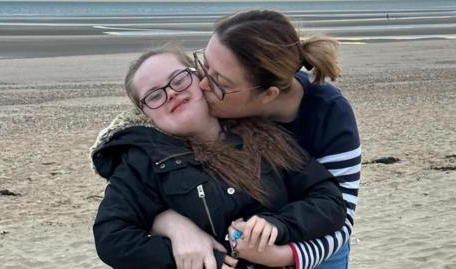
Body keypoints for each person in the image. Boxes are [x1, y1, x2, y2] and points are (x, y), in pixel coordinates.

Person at [90, 47, 347, 269]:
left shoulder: (265, 136)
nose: (170, 94)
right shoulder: (143, 160)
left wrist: (277, 226)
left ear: (201, 79)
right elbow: (112, 236)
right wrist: (192, 257)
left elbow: (328, 200)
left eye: (178, 79)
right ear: (146, 113)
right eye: (154, 95)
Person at [151, 9, 361, 269]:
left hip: (312, 246)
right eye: (204, 66)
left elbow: (341, 219)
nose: (202, 85)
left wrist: (282, 256)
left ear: (268, 95)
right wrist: (172, 223)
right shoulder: (207, 102)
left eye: (220, 82)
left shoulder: (329, 115)